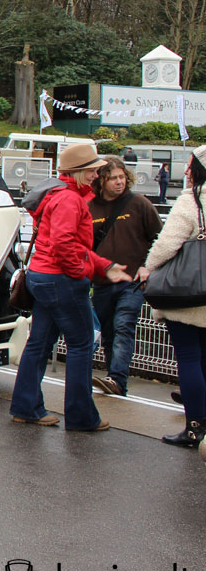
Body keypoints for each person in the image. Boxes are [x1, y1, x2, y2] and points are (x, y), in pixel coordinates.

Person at [9, 143, 131, 432]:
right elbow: (67, 244)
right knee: (80, 345)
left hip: (42, 275)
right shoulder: (71, 200)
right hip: (62, 280)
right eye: (91, 171)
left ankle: (26, 407)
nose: (96, 176)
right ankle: (81, 416)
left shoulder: (55, 195)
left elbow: (61, 242)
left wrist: (101, 265)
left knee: (39, 343)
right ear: (77, 172)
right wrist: (81, 271)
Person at [143, 145, 206, 449]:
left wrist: (147, 268)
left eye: (190, 165)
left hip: (189, 294)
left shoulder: (192, 200)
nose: (186, 170)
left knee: (189, 358)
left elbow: (168, 244)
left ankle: (195, 427)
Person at [88, 156, 161, 397]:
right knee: (108, 331)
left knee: (124, 326)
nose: (119, 182)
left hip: (132, 280)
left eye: (121, 177)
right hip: (102, 282)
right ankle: (115, 379)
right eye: (112, 178)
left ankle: (117, 378)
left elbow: (160, 238)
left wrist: (147, 266)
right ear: (102, 181)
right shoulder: (91, 207)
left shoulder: (138, 203)